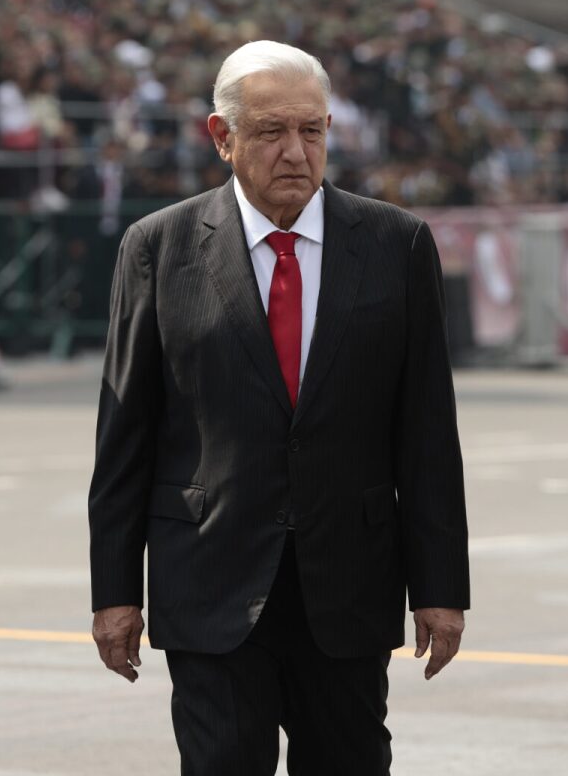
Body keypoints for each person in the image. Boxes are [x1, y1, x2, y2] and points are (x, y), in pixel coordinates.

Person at [88, 40, 470, 775]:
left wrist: (441, 587)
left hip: (350, 588)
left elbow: (426, 434)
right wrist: (115, 593)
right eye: (270, 132)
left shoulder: (397, 245)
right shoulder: (157, 249)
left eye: (312, 131)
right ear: (221, 137)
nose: (295, 152)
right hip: (209, 583)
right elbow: (125, 439)